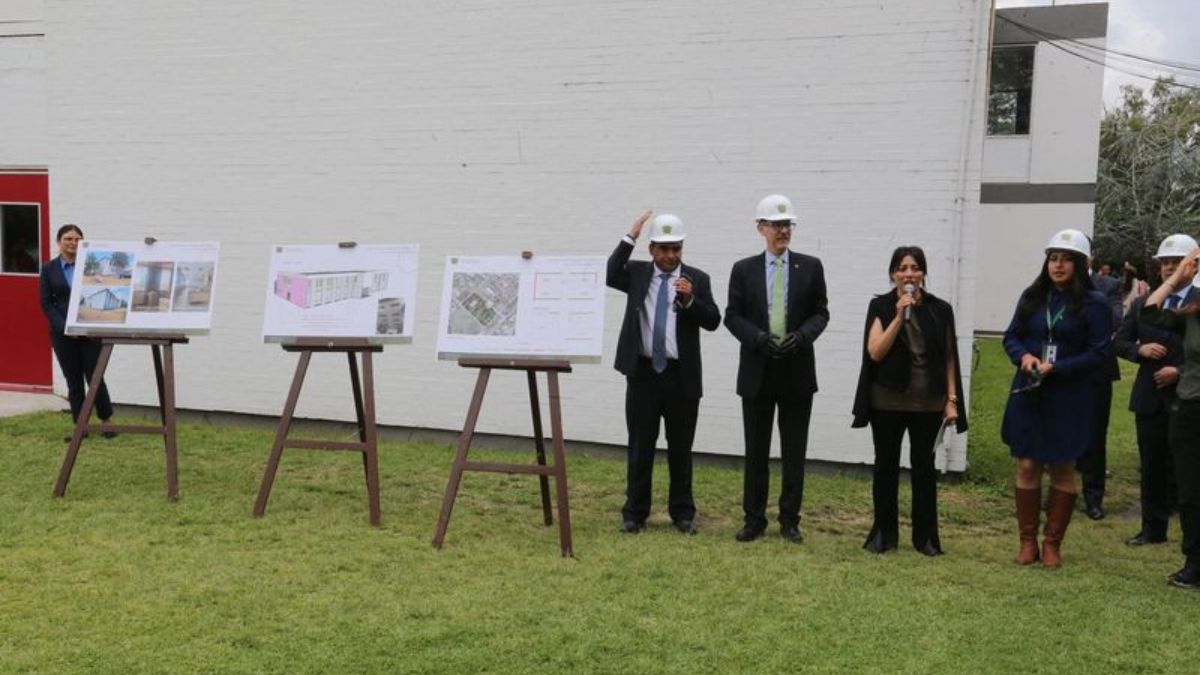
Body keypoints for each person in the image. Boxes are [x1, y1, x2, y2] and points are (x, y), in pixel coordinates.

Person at [607, 210, 721, 534]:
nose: (671, 256)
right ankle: (635, 512)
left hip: (680, 376)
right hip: (643, 373)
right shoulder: (637, 273)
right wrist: (630, 236)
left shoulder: (697, 278)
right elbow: (609, 273)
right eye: (665, 249)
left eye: (677, 248)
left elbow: (713, 319)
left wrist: (689, 301)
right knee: (640, 445)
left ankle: (682, 512)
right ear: (652, 249)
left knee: (681, 447)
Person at [1003, 229, 1111, 568]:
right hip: (1030, 389)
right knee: (1026, 463)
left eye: (1066, 259)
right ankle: (1026, 541)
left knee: (1063, 466)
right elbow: (1011, 336)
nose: (1058, 265)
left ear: (1080, 264)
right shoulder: (1034, 296)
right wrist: (1025, 358)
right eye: (1053, 258)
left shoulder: (1095, 304)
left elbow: (1099, 353)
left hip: (1069, 394)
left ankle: (1052, 542)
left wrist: (1059, 367)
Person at [725, 194, 829, 543]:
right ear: (761, 228)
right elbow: (732, 316)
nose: (783, 230)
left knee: (794, 451)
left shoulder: (811, 267)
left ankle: (790, 519)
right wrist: (757, 339)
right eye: (776, 224)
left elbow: (821, 312)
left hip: (797, 371)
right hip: (758, 371)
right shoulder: (743, 270)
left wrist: (802, 336)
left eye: (788, 224)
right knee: (756, 451)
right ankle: (754, 518)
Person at [851, 246, 968, 556]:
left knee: (924, 469)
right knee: (885, 467)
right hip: (886, 401)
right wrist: (898, 317)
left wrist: (951, 399)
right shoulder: (880, 305)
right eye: (902, 268)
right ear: (893, 273)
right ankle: (883, 534)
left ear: (923, 273)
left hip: (927, 403)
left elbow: (949, 359)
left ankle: (926, 538)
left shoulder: (939, 309)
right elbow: (875, 351)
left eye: (915, 267)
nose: (909, 273)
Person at [1115, 234, 1197, 547]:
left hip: (1187, 396)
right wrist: (1140, 350)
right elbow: (1119, 342)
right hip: (1150, 397)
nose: (1169, 267)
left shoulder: (1197, 302)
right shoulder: (1142, 304)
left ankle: (1187, 531)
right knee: (1151, 464)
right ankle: (1152, 528)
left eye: (1176, 262)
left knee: (1186, 468)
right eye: (1165, 262)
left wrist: (1179, 371)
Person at [1139, 244, 1200, 589]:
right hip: (1191, 407)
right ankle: (1195, 564)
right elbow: (1148, 313)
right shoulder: (1192, 312)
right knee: (1191, 490)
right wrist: (1176, 278)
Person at [39, 224, 116, 439]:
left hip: (90, 330)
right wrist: (65, 327)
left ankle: (106, 420)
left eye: (77, 239)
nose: (73, 243)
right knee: (73, 380)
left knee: (95, 376)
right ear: (59, 242)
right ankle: (80, 427)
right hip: (62, 334)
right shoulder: (48, 269)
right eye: (68, 239)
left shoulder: (91, 267)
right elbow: (46, 304)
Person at [1077, 253, 1124, 520]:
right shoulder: (1052, 288)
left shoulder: (1108, 286)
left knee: (1095, 435)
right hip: (1063, 370)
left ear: (1089, 258)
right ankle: (1060, 494)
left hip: (1097, 371)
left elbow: (1114, 319)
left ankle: (1093, 497)